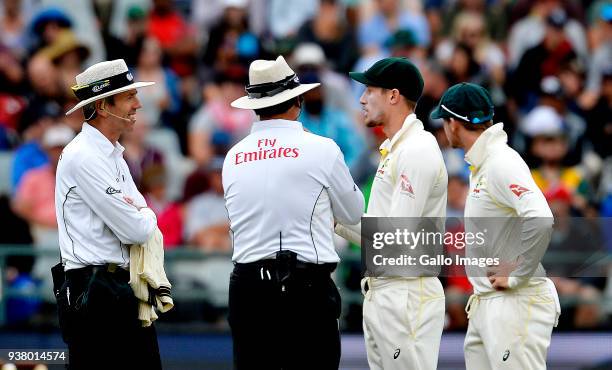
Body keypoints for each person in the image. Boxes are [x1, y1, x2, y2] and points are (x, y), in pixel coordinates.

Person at [223, 55, 364, 369]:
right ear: (297, 99)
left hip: (248, 287)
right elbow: (354, 211)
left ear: (254, 105)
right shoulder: (323, 149)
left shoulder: (233, 156)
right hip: (305, 288)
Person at [430, 82, 560, 370]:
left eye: (444, 122)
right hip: (488, 304)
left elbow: (541, 218)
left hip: (514, 302)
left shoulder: (501, 162)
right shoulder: (484, 164)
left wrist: (516, 271)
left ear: (453, 123)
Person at [336, 57, 448, 370]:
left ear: (393, 95)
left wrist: (337, 219)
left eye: (369, 90)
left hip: (405, 293)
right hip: (387, 291)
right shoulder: (397, 149)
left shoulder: (417, 150)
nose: (361, 99)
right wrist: (335, 219)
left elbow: (396, 237)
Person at [55, 59, 162, 369]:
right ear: (103, 105)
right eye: (129, 96)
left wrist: (142, 213)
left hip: (113, 289)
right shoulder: (85, 156)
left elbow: (140, 216)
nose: (138, 104)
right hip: (95, 293)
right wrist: (144, 214)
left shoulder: (108, 152)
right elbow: (139, 229)